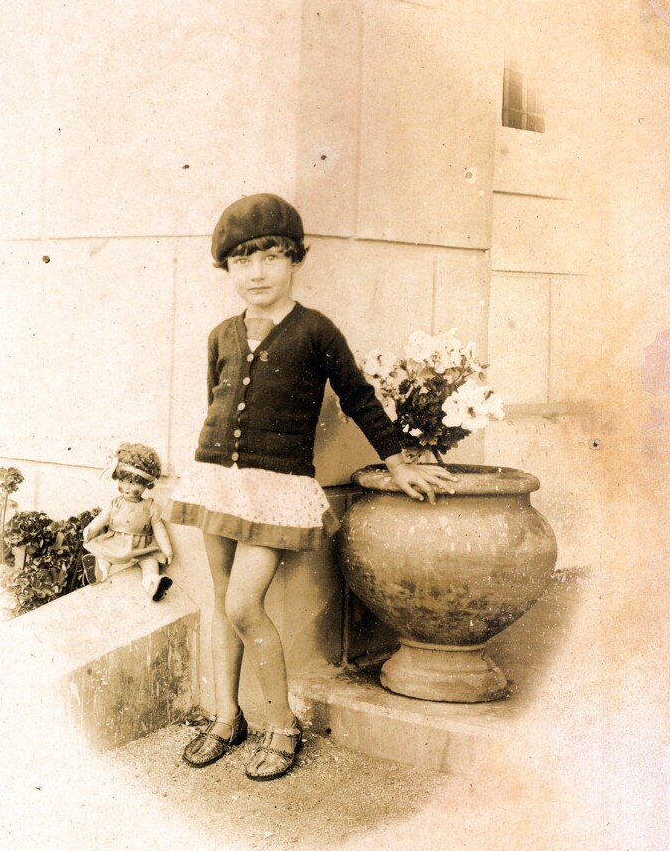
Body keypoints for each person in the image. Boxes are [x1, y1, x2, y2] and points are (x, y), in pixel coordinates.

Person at [166, 194, 455, 780]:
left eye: (270, 257)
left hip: (276, 489)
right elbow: (217, 402)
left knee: (244, 604)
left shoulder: (315, 330)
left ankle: (281, 724)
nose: (256, 272)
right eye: (242, 260)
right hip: (219, 481)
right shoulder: (221, 335)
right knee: (221, 601)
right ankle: (226, 717)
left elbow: (358, 398)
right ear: (228, 269)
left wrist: (397, 461)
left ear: (295, 259)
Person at [83, 442, 174, 601]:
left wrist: (167, 549)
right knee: (104, 556)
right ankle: (99, 572)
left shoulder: (151, 507)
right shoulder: (115, 503)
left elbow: (159, 528)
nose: (127, 487)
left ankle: (153, 584)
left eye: (134, 482)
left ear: (146, 484)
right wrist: (90, 529)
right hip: (115, 542)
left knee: (150, 562)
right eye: (123, 480)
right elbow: (103, 518)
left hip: (143, 547)